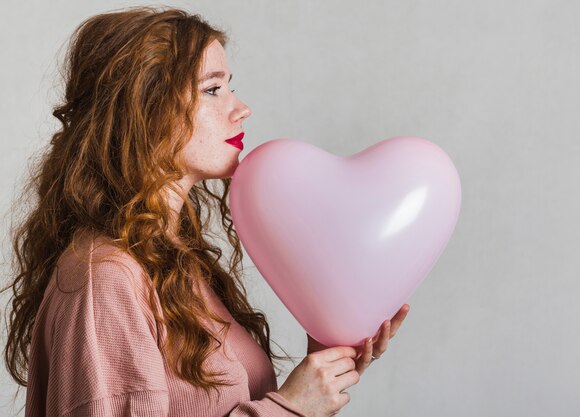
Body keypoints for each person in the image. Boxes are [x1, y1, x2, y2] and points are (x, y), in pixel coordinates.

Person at [2, 6, 410, 417]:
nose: (241, 108)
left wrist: (326, 359)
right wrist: (288, 408)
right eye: (212, 90)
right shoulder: (107, 278)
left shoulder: (171, 259)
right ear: (145, 107)